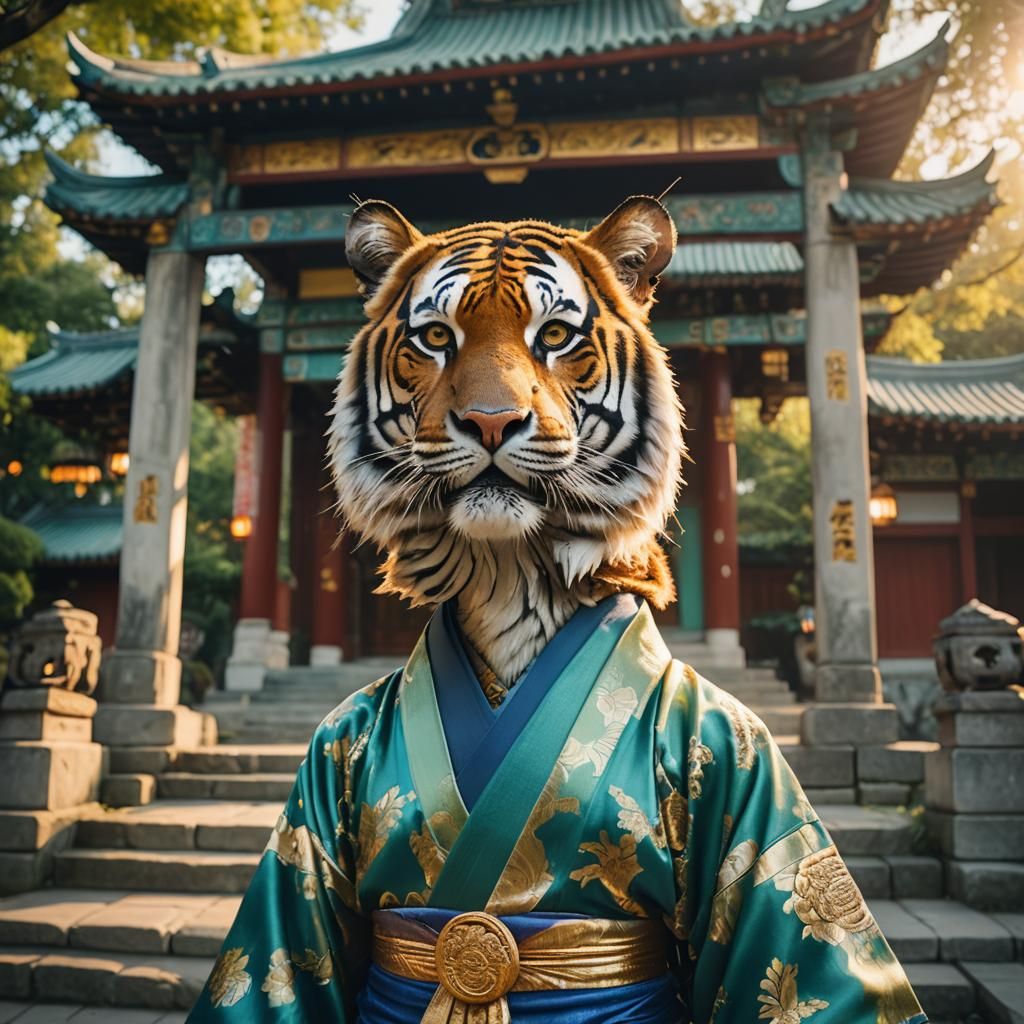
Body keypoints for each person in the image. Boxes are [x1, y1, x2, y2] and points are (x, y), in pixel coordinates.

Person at [189, 197, 926, 1023]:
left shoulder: (712, 745)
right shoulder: (349, 748)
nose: (492, 405)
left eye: (562, 341)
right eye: (434, 342)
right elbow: (273, 992)